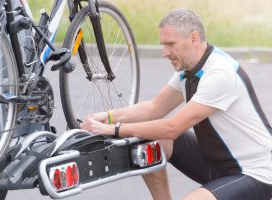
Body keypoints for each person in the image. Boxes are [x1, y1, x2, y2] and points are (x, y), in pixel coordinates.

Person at [80, 8, 272, 200]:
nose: (165, 52)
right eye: (163, 45)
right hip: (218, 164)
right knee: (147, 138)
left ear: (193, 39)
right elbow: (155, 108)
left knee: (152, 132)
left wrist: (114, 129)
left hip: (255, 173)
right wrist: (108, 116)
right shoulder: (190, 67)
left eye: (171, 44)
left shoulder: (219, 74)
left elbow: (172, 128)